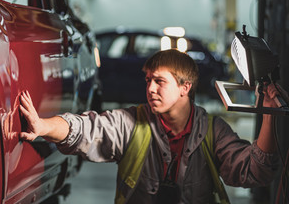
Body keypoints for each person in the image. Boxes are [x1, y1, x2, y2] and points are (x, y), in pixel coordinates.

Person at [19, 49, 281, 204]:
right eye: (148, 80)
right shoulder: (132, 123)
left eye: (159, 81)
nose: (150, 89)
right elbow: (86, 128)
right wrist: (43, 126)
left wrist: (269, 116)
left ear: (184, 87)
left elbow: (254, 172)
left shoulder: (214, 131)